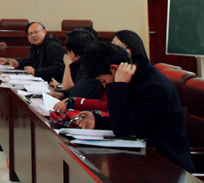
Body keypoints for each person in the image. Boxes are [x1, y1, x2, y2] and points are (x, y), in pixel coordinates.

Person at [75, 41, 194, 172]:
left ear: (114, 69)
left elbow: (123, 128)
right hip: (146, 158)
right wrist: (97, 121)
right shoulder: (138, 78)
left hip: (167, 166)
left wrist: (118, 86)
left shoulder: (152, 87)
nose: (105, 86)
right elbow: (132, 121)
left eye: (104, 81)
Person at [0, 21, 64, 82]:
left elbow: (59, 69)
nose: (33, 35)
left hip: (53, 84)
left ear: (44, 32)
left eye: (36, 32)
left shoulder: (53, 46)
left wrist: (36, 72)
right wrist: (15, 62)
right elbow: (30, 60)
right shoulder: (37, 46)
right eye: (30, 34)